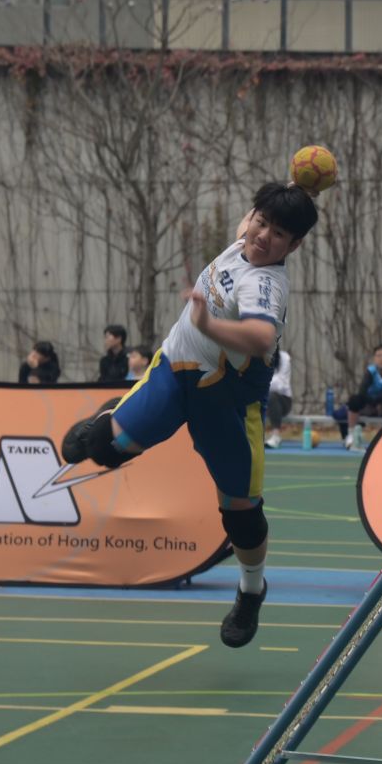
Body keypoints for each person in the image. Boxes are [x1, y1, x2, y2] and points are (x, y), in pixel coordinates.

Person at [61, 182, 319, 648]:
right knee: (103, 450)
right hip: (175, 370)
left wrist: (207, 325)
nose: (262, 236)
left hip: (227, 403)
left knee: (241, 515)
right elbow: (260, 218)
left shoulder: (265, 283)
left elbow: (261, 338)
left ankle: (251, 591)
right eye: (261, 222)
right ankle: (111, 418)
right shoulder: (246, 237)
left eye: (279, 234)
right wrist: (296, 187)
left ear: (294, 246)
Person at [345, 343, 382, 449]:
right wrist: (373, 403)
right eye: (378, 356)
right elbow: (362, 390)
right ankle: (351, 434)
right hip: (371, 403)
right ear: (374, 358)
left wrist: (378, 402)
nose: (381, 359)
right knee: (354, 400)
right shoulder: (371, 371)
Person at [265, 349, 292, 449]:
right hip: (261, 399)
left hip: (283, 400)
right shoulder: (255, 357)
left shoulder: (284, 358)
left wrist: (261, 382)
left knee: (271, 396)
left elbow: (279, 385)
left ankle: (275, 436)